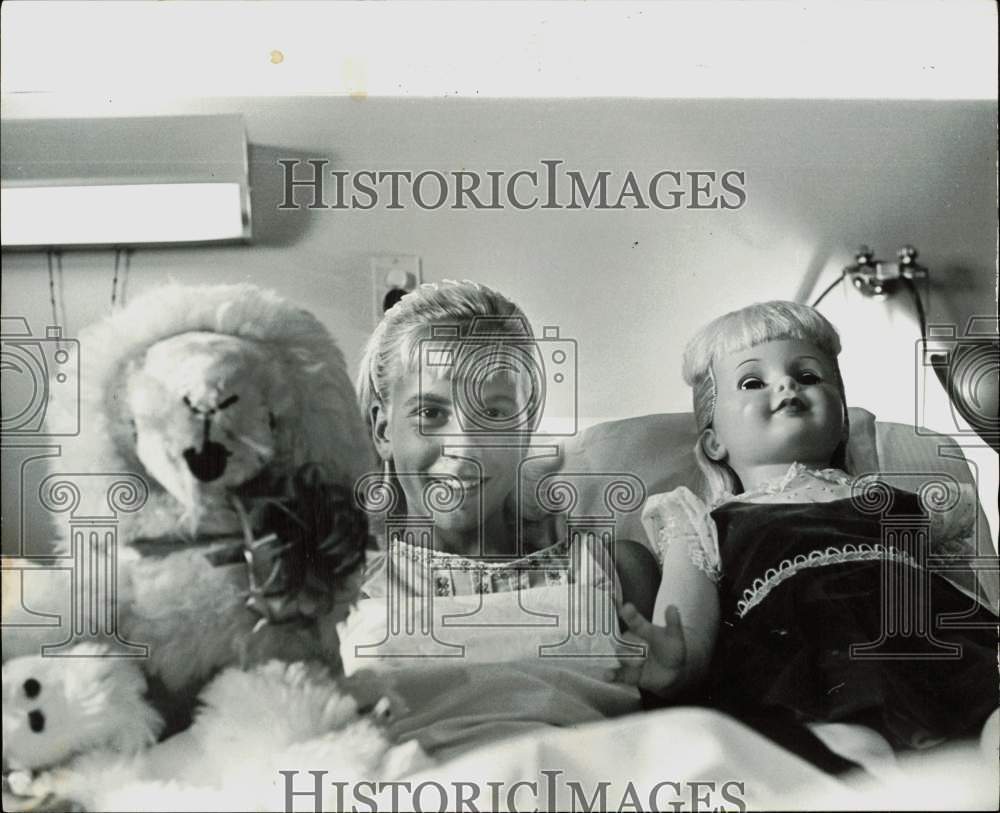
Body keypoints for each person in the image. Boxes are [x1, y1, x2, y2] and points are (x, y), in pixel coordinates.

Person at [618, 300, 999, 773]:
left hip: (930, 643)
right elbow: (686, 626)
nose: (787, 384)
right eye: (752, 381)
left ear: (841, 419)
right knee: (846, 750)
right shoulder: (702, 519)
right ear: (714, 442)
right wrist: (678, 663)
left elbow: (969, 593)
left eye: (810, 376)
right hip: (806, 668)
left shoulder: (900, 503)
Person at [344, 279, 658, 761]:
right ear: (384, 430)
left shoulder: (620, 572)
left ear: (526, 422)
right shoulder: (344, 598)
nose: (464, 448)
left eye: (492, 412)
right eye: (431, 411)